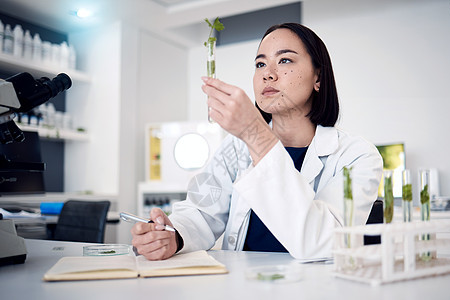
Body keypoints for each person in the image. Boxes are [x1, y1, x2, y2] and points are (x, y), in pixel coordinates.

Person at [131, 23, 383, 260]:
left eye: (284, 60)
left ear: (318, 76)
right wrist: (171, 235)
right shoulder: (235, 148)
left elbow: (324, 243)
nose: (268, 75)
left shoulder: (357, 155)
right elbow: (201, 212)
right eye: (260, 64)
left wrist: (255, 133)